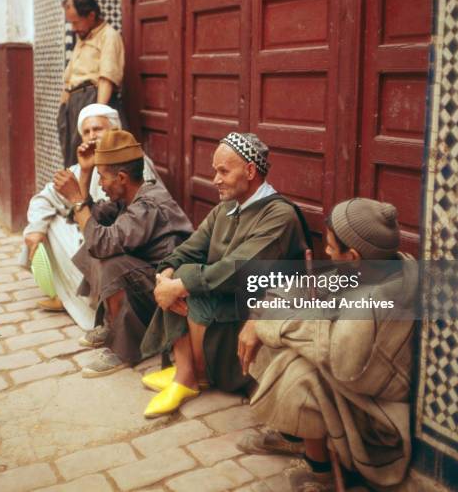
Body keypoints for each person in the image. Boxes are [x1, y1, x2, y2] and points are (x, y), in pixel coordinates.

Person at [238, 198, 417, 490]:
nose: (327, 251)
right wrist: (260, 315)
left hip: (378, 416)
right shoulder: (376, 266)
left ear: (354, 256)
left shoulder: (373, 304)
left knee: (296, 370)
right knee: (276, 323)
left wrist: (269, 324)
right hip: (351, 381)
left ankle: (321, 473)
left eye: (332, 248)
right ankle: (296, 437)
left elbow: (339, 361)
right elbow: (299, 292)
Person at [139, 132, 311, 418]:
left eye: (223, 171)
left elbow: (238, 270)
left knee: (188, 282)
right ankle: (187, 371)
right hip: (228, 302)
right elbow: (190, 248)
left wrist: (179, 284)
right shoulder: (226, 208)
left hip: (253, 314)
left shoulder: (279, 216)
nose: (215, 179)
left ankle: (190, 378)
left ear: (250, 171)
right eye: (215, 170)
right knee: (181, 274)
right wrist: (166, 275)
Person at [53, 129, 193, 377]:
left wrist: (76, 197)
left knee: (109, 259)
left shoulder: (148, 205)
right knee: (95, 243)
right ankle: (113, 325)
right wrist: (84, 174)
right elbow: (90, 220)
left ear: (121, 177)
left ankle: (123, 346)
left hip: (170, 295)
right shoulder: (129, 198)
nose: (101, 185)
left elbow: (101, 241)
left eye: (101, 178)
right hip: (149, 282)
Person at [19, 104, 159, 327]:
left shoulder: (136, 165)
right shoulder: (80, 167)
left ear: (114, 131)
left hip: (120, 251)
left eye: (98, 129)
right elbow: (43, 198)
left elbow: (126, 228)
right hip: (97, 242)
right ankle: (65, 294)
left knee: (65, 228)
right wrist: (36, 229)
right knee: (47, 222)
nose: (92, 136)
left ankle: (84, 304)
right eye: (86, 132)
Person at [58, 0, 125, 167]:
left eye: (75, 22)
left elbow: (106, 78)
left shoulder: (109, 36)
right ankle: (76, 194)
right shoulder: (83, 37)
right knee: (74, 158)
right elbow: (70, 78)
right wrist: (64, 108)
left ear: (91, 15)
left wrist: (97, 113)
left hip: (92, 101)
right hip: (73, 105)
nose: (73, 28)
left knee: (96, 157)